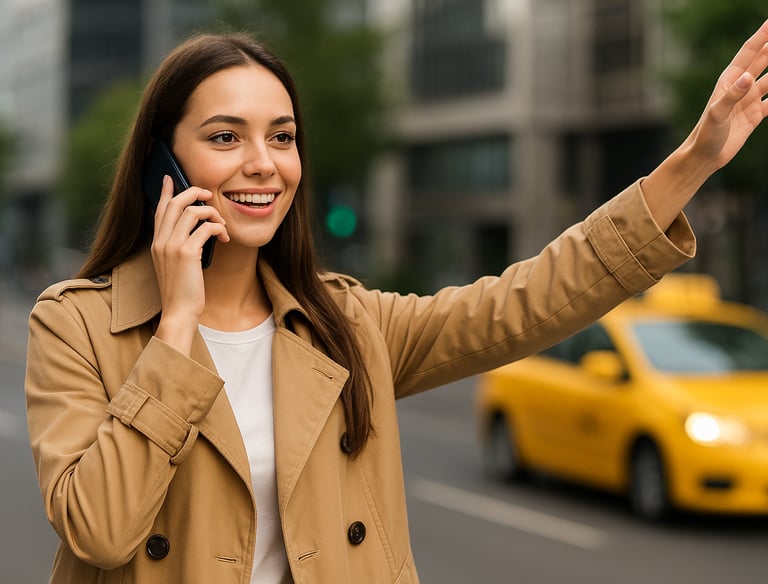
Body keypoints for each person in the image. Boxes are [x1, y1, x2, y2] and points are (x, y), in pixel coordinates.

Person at [24, 21, 768, 584]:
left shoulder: (346, 324)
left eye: (281, 137)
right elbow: (100, 530)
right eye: (225, 136)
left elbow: (534, 296)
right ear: (164, 162)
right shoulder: (77, 324)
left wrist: (692, 161)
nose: (263, 164)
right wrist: (177, 324)